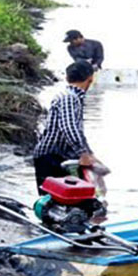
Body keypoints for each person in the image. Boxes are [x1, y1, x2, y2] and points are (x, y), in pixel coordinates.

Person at [32, 60, 105, 193]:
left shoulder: (73, 97)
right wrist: (83, 153)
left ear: (67, 78)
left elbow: (77, 131)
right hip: (51, 156)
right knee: (55, 199)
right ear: (91, 78)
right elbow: (69, 128)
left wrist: (89, 153)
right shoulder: (69, 98)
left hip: (61, 156)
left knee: (74, 196)